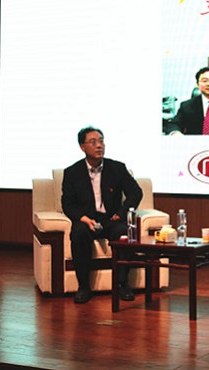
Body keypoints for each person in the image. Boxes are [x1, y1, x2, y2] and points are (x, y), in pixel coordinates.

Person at [62, 126, 142, 304]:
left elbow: (136, 193)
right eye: (93, 142)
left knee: (126, 233)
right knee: (79, 233)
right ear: (82, 147)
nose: (99, 145)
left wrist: (121, 213)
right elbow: (68, 204)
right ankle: (84, 287)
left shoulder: (117, 168)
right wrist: (83, 219)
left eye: (101, 141)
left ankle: (122, 283)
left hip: (111, 219)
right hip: (87, 220)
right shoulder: (72, 172)